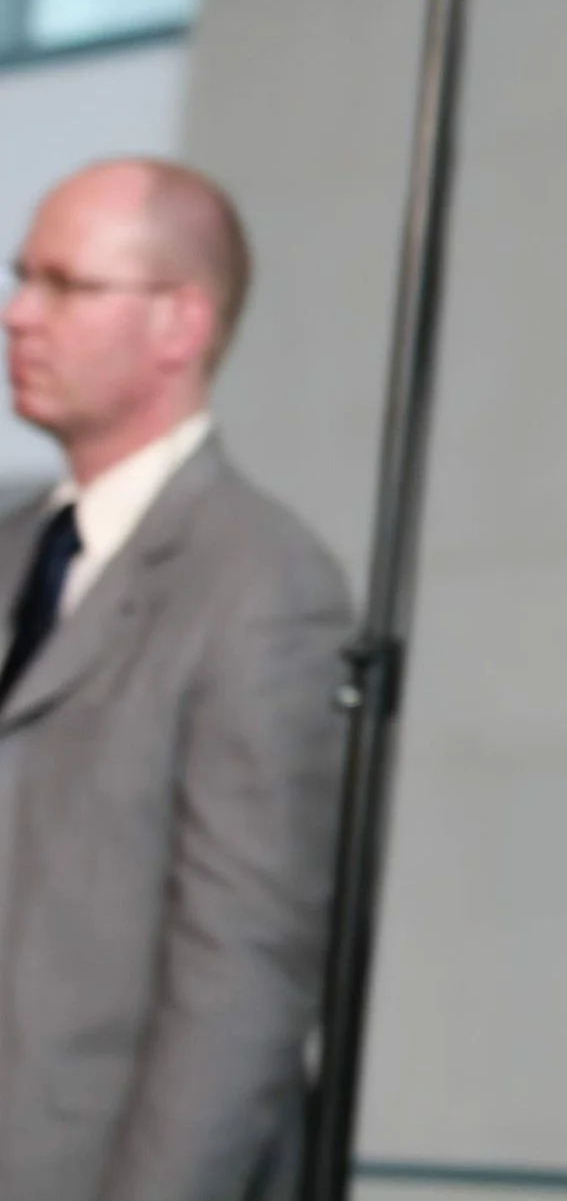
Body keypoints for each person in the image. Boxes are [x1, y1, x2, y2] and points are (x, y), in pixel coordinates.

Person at [0, 157, 351, 1201]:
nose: (21, 314)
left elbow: (241, 980)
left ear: (179, 323)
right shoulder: (18, 542)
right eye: (24, 276)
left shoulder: (264, 581)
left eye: (66, 284)